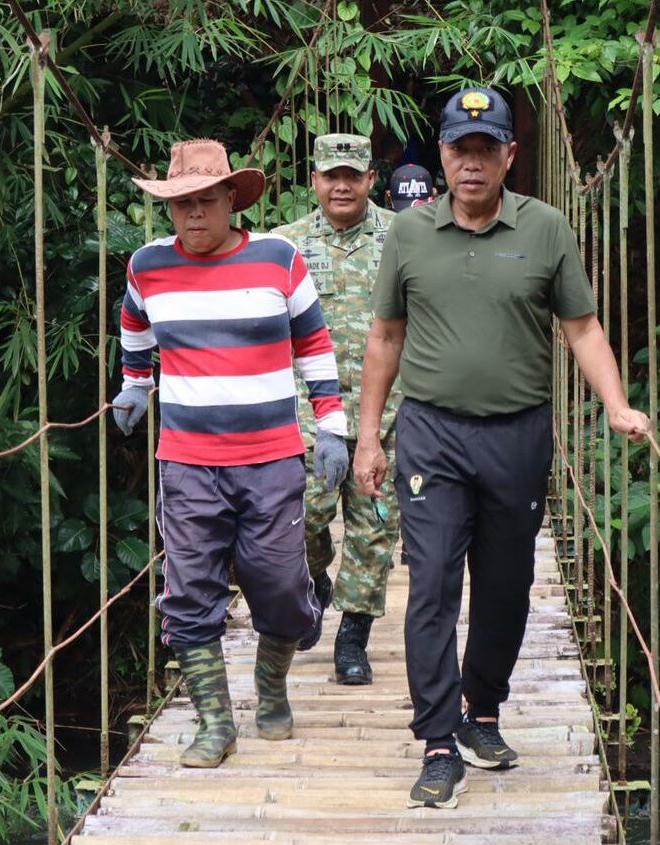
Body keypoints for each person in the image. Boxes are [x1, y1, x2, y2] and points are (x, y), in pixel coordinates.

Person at [353, 88, 650, 808]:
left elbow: (582, 327)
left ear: (510, 156)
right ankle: (436, 742)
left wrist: (616, 404)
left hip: (518, 434)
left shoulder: (546, 228)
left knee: (507, 585)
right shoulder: (409, 233)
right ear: (443, 154)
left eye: (487, 149)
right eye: (461, 149)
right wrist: (368, 437)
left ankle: (480, 710)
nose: (473, 163)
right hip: (431, 434)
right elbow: (385, 336)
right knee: (431, 583)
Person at [113, 138, 350, 768]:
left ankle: (271, 685)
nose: (194, 214)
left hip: (271, 459)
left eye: (206, 200)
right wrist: (134, 383)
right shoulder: (146, 266)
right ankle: (215, 723)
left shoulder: (279, 259)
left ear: (230, 199)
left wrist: (332, 426)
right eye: (181, 203)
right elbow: (134, 324)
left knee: (280, 585)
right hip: (187, 462)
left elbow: (314, 343)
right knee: (189, 591)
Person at [273, 134, 401, 686]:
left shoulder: (404, 237)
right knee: (301, 519)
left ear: (371, 179)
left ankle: (352, 638)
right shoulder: (284, 246)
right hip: (308, 415)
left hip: (388, 412)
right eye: (331, 175)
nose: (342, 186)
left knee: (374, 530)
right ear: (314, 181)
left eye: (353, 175)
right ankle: (316, 578)